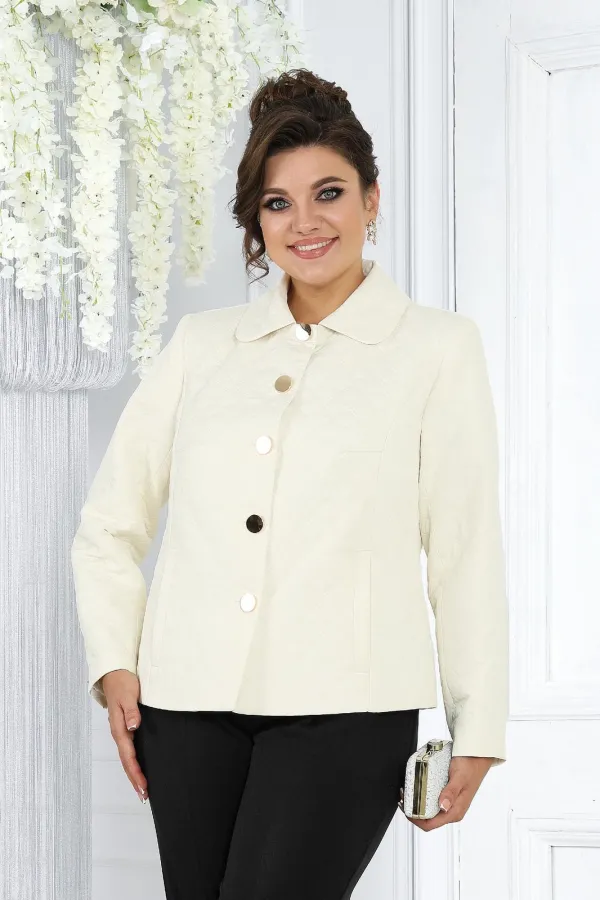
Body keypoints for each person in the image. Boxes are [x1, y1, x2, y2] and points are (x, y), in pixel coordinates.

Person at [71, 68, 509, 899]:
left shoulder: (436, 349)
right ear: (257, 222)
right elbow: (110, 526)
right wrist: (115, 665)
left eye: (329, 193)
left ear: (371, 199)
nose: (305, 223)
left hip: (349, 711)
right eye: (278, 203)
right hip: (185, 706)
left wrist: (478, 725)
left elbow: (465, 550)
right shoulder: (203, 346)